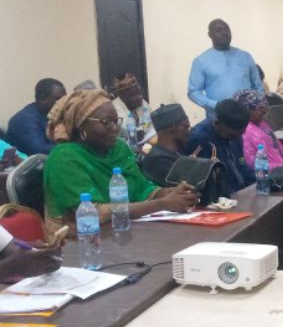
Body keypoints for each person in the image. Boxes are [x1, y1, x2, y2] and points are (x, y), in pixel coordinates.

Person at [43, 90, 198, 234]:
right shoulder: (65, 157)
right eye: (105, 122)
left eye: (116, 121)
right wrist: (163, 203)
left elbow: (142, 188)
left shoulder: (118, 148)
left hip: (125, 232)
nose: (114, 128)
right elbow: (93, 212)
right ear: (81, 124)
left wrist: (173, 193)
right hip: (79, 240)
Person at [188, 19, 263, 117]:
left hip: (247, 117)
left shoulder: (245, 56)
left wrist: (258, 106)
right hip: (218, 118)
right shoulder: (201, 61)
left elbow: (258, 86)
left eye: (226, 29)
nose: (224, 33)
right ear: (210, 35)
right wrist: (216, 105)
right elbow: (193, 92)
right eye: (218, 30)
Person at [185, 99, 255, 192]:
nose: (236, 138)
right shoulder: (200, 139)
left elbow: (241, 164)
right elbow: (207, 183)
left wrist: (259, 180)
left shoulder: (235, 133)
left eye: (240, 134)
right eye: (231, 135)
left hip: (242, 190)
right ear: (217, 123)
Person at [232, 89, 283, 170]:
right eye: (261, 112)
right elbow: (251, 162)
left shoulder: (262, 124)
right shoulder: (244, 132)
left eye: (264, 112)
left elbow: (278, 147)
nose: (264, 115)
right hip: (270, 172)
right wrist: (278, 168)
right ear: (247, 110)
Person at [3, 78, 66, 155]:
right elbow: (39, 150)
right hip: (30, 162)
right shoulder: (25, 119)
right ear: (42, 98)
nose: (64, 102)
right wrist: (71, 146)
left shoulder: (53, 115)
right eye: (58, 99)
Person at [141, 103, 191, 186]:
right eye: (186, 127)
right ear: (174, 127)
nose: (188, 132)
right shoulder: (158, 161)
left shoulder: (178, 152)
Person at [110, 73, 156, 149]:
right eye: (134, 95)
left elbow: (154, 125)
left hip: (147, 147)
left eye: (139, 93)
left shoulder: (143, 103)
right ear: (122, 95)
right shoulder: (114, 110)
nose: (140, 97)